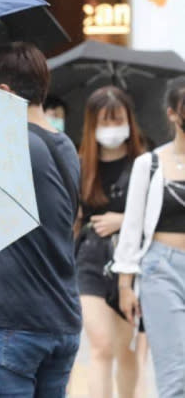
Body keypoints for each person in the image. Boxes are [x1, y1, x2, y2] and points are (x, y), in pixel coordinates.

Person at [0, 42, 82, 397]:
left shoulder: (11, 146)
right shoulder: (64, 145)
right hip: (59, 321)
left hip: (11, 325)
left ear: (3, 93)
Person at [115, 76, 185, 398]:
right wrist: (125, 285)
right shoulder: (150, 164)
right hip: (162, 269)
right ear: (172, 113)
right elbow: (131, 227)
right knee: (175, 372)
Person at [76, 86, 146, 398]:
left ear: (130, 122)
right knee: (101, 346)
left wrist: (124, 221)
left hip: (130, 264)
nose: (112, 129)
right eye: (105, 121)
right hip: (89, 260)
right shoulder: (80, 163)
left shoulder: (145, 164)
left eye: (118, 120)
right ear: (93, 124)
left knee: (125, 349)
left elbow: (159, 216)